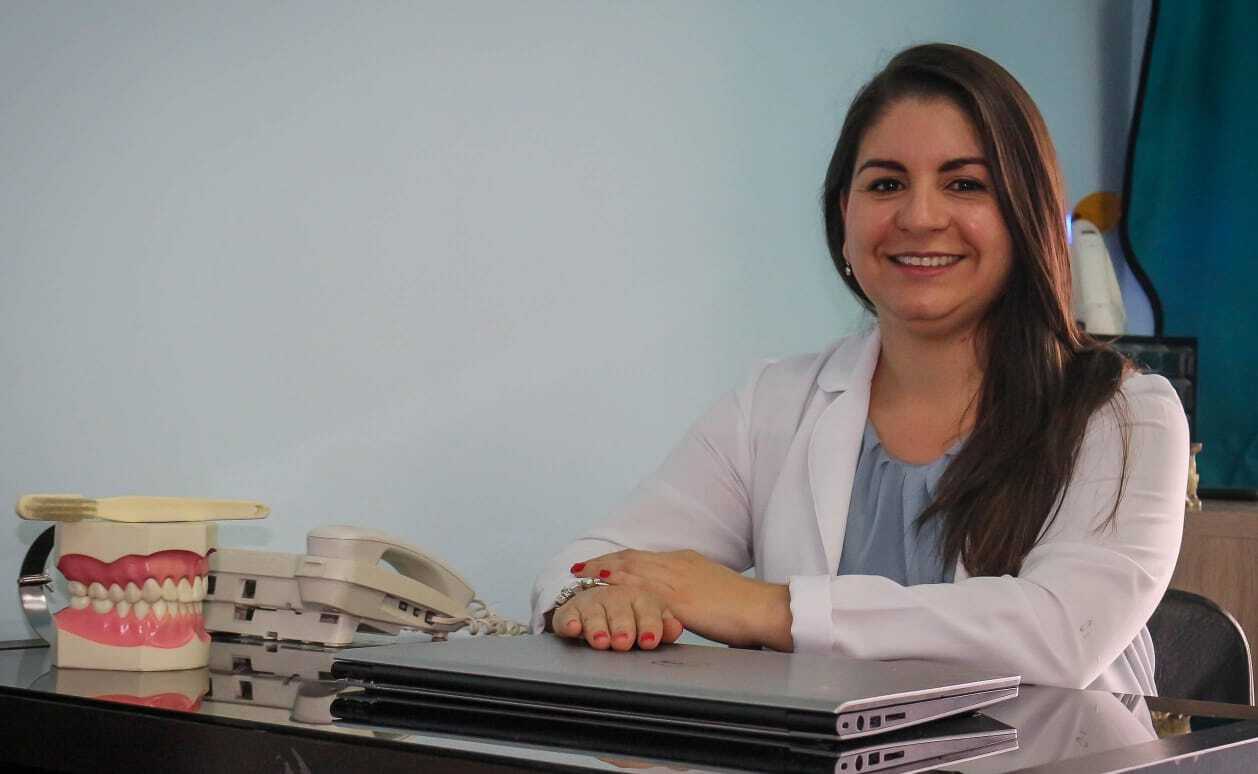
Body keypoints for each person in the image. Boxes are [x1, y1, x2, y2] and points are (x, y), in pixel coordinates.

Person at [529, 43, 1188, 695]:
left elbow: (1062, 635)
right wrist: (602, 602)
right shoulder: (773, 404)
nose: (920, 217)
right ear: (844, 215)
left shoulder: (1126, 416)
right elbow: (585, 564)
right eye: (886, 184)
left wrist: (769, 609)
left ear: (1025, 213)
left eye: (964, 184)